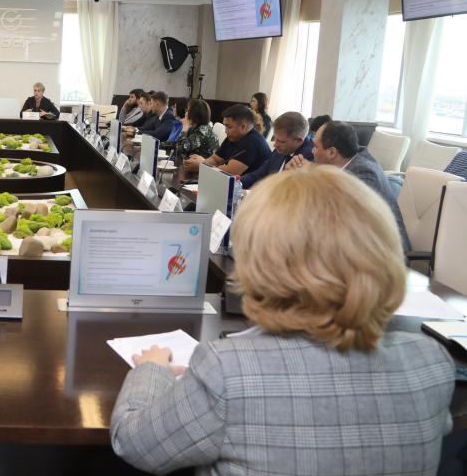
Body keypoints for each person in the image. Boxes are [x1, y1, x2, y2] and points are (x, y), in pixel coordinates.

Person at [110, 167, 454, 476]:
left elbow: (133, 442)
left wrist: (151, 369)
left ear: (259, 260)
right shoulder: (431, 361)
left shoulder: (228, 370)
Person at [290, 120, 410, 249]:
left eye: (316, 147)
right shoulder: (347, 162)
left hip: (383, 252)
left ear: (332, 153)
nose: (312, 151)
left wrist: (311, 175)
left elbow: (337, 216)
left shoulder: (364, 174)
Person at [185, 104, 271, 176]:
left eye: (229, 127)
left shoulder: (252, 142)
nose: (226, 131)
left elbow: (229, 173)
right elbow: (216, 159)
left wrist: (201, 166)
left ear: (243, 126)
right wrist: (202, 164)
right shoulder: (234, 137)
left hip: (255, 189)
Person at [240, 111, 314, 189]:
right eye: (275, 139)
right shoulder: (281, 149)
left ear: (299, 140)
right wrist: (235, 181)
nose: (275, 145)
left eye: (281, 141)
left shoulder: (310, 157)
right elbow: (257, 175)